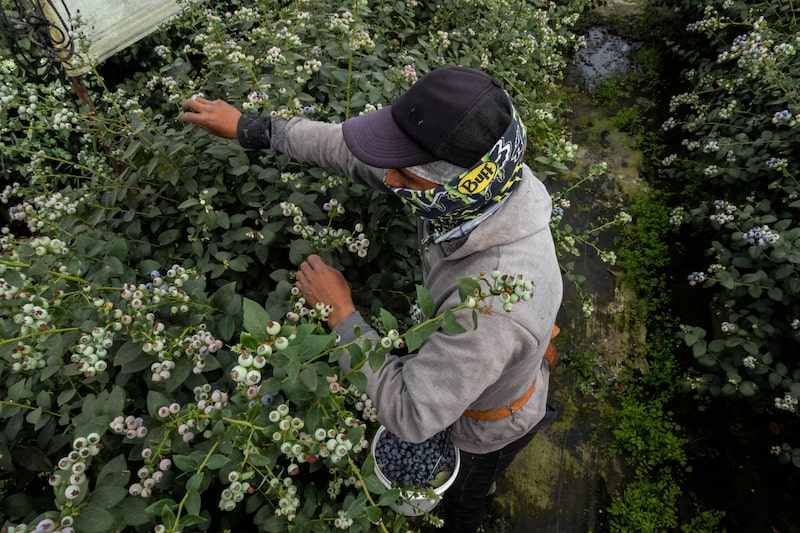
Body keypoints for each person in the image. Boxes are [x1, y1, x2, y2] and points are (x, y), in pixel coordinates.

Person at [181, 65, 563, 532]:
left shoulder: (492, 307)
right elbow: (354, 154)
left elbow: (411, 413)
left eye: (403, 172)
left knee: (466, 493)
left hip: (487, 426)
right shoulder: (489, 184)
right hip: (478, 363)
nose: (390, 179)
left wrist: (341, 313)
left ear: (459, 184)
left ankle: (469, 515)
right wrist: (254, 128)